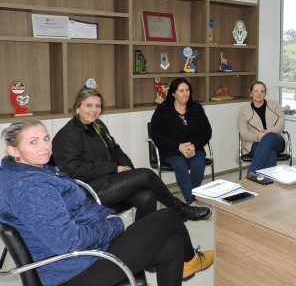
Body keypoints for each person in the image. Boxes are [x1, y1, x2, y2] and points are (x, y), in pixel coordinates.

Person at [0, 119, 214, 286]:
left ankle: (188, 261)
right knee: (167, 217)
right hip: (73, 269)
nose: (45, 147)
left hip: (81, 255)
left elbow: (81, 201)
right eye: (33, 142)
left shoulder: (33, 170)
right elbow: (68, 242)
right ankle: (191, 260)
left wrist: (103, 214)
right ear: (13, 151)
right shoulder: (29, 187)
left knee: (171, 246)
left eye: (46, 138)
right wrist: (114, 224)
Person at [52, 87, 210, 221]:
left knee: (148, 196)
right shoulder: (68, 135)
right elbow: (74, 171)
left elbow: (115, 149)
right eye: (89, 105)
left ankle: (140, 237)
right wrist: (115, 168)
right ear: (77, 108)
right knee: (146, 174)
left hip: (109, 181)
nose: (94, 110)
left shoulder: (97, 125)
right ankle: (180, 209)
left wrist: (128, 169)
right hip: (89, 192)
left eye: (98, 106)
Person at [151, 78, 212, 205]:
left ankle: (191, 195)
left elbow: (207, 132)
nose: (185, 93)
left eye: (187, 90)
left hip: (193, 148)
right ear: (173, 93)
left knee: (198, 163)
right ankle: (191, 202)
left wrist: (193, 145)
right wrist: (178, 146)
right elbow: (157, 136)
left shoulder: (196, 108)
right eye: (181, 91)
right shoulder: (162, 110)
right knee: (180, 165)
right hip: (171, 150)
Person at [238, 81, 286, 177]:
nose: (259, 94)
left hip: (277, 140)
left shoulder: (275, 105)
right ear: (251, 93)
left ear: (265, 93)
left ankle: (252, 172)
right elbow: (243, 134)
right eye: (256, 91)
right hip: (255, 143)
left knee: (269, 137)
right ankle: (267, 180)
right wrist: (257, 137)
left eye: (262, 91)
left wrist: (266, 133)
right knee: (271, 152)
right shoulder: (244, 111)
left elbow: (281, 125)